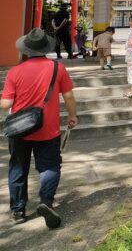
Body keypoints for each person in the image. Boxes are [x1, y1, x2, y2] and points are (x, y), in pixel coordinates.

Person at [1, 28, 77, 228]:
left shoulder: (15, 71)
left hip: (20, 130)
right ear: (46, 48)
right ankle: (46, 202)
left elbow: (7, 104)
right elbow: (68, 96)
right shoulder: (57, 68)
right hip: (48, 128)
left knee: (18, 168)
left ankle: (18, 211)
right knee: (50, 167)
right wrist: (72, 116)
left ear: (26, 49)